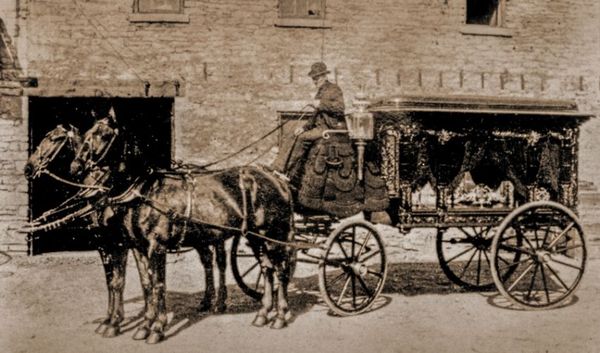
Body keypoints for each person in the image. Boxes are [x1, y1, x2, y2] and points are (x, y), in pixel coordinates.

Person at [272, 62, 346, 179]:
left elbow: (340, 108)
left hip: (330, 128)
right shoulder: (320, 92)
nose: (315, 81)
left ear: (324, 77)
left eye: (317, 78)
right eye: (313, 79)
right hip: (319, 127)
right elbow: (315, 115)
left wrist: (321, 104)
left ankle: (288, 173)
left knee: (302, 138)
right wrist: (303, 127)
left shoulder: (334, 89)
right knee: (293, 134)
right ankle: (277, 167)